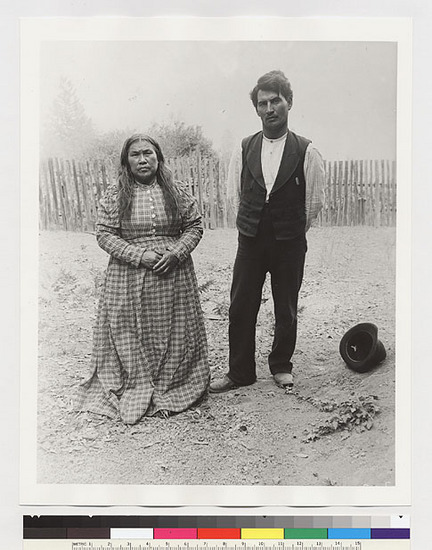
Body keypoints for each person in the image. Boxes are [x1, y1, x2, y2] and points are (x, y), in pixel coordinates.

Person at [76, 134, 209, 424]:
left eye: (148, 153)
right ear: (127, 161)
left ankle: (173, 383)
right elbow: (104, 234)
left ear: (158, 157)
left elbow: (195, 226)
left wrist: (175, 252)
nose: (142, 159)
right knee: (129, 328)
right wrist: (138, 255)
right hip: (127, 276)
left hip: (173, 275)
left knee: (175, 331)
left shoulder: (177, 190)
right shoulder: (116, 194)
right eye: (135, 155)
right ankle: (135, 382)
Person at [210, 70, 325, 393]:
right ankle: (240, 372)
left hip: (289, 242)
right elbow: (234, 194)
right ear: (257, 109)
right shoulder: (245, 147)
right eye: (263, 103)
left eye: (276, 101)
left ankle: (281, 366)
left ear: (289, 103)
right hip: (251, 240)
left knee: (285, 306)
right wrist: (253, 223)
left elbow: (314, 201)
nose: (270, 108)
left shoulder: (307, 151)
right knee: (241, 305)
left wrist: (289, 227)